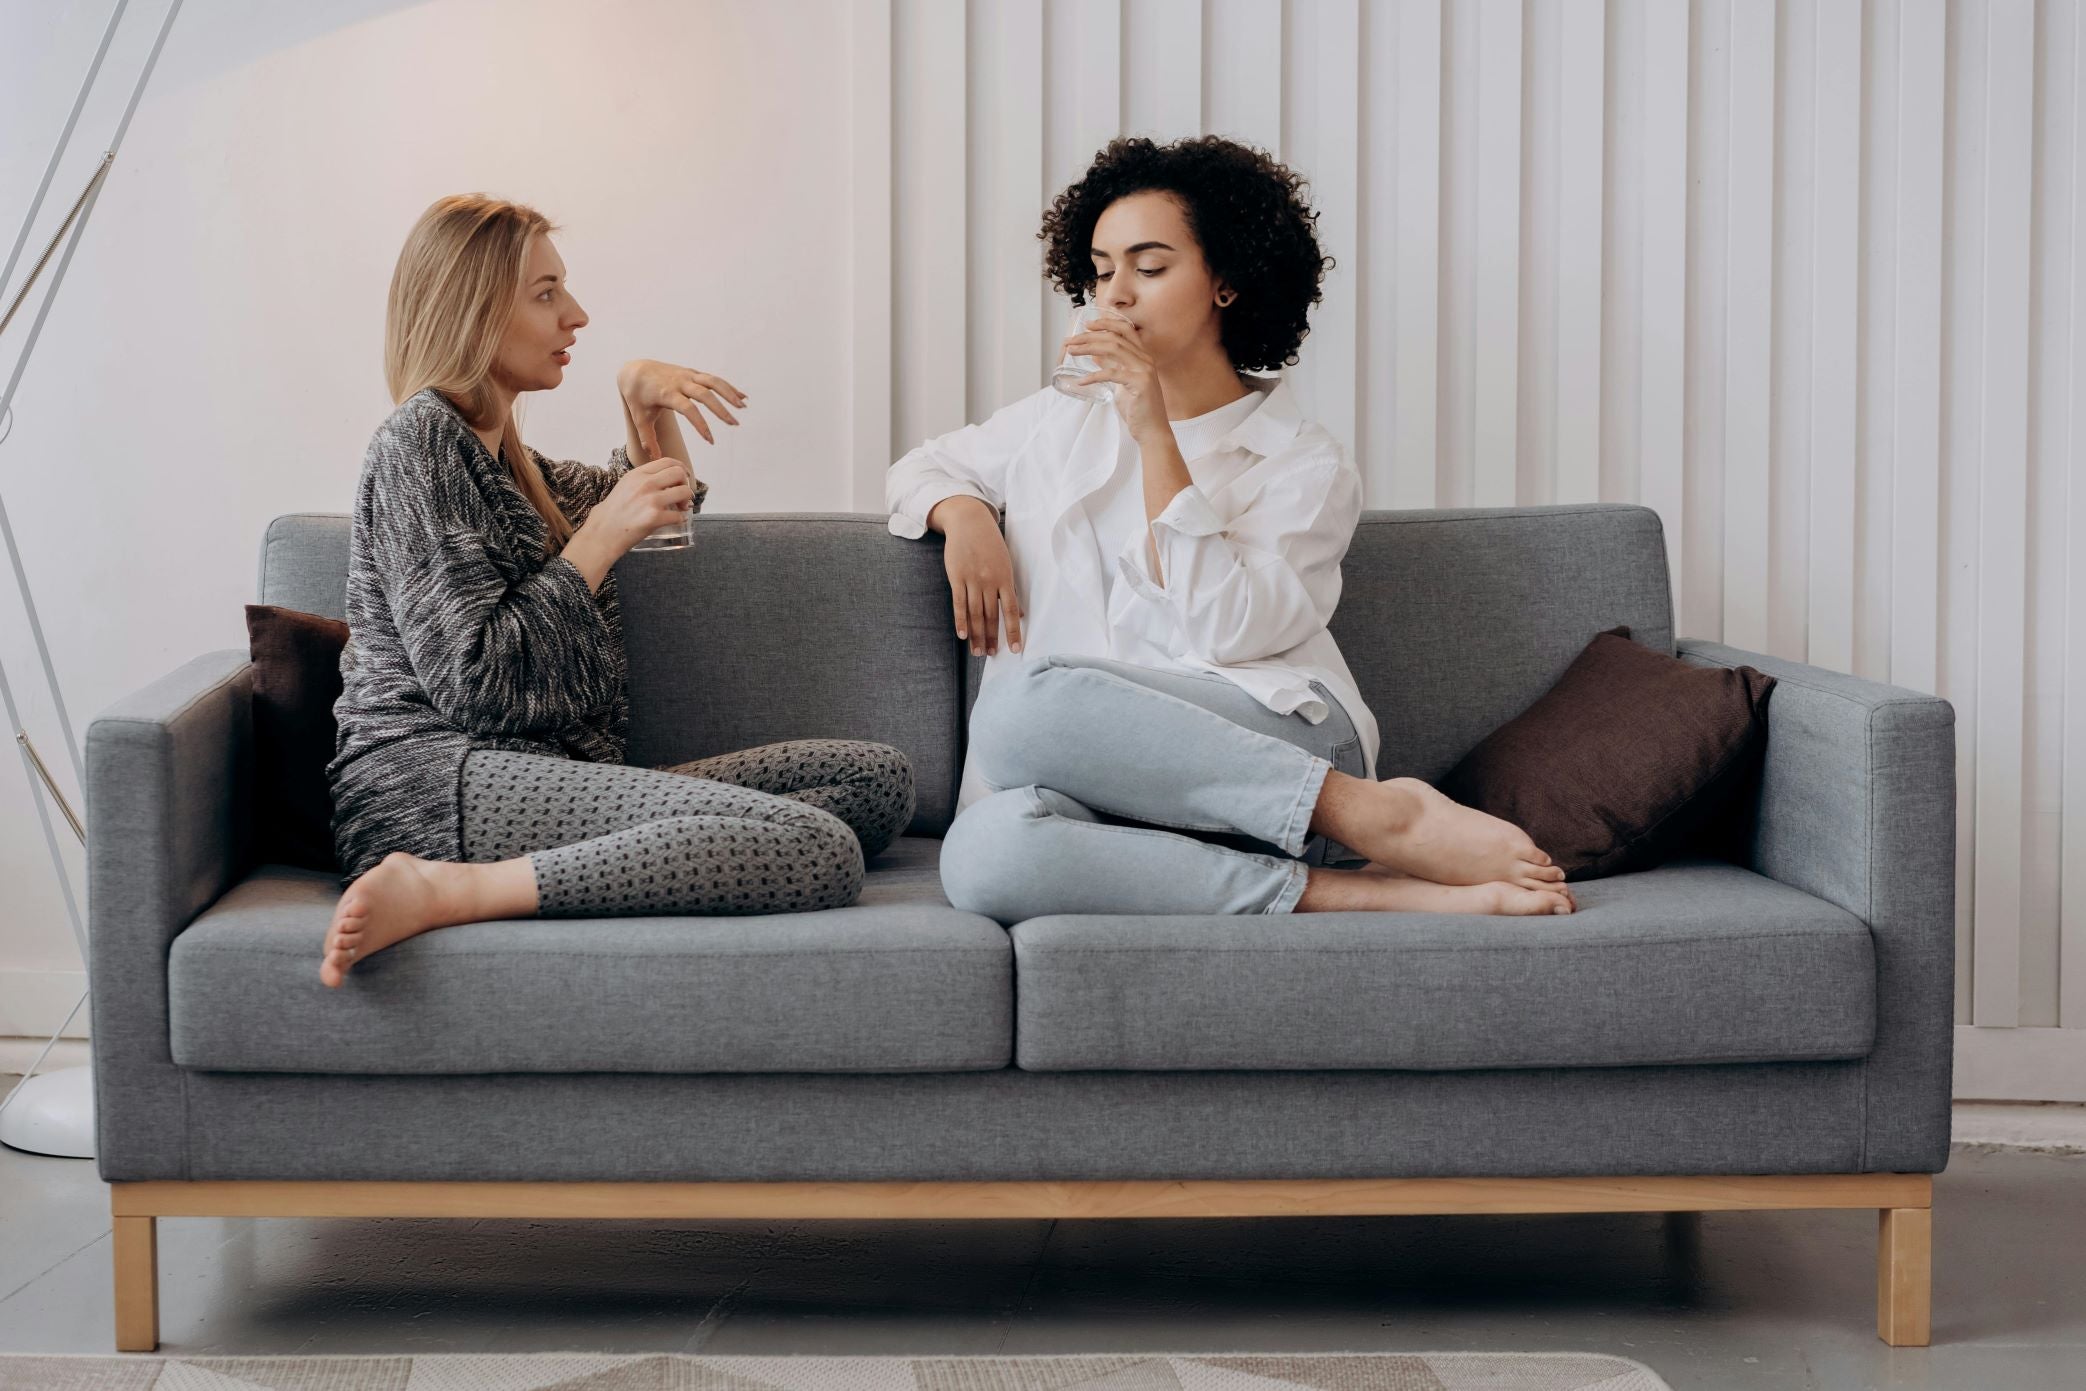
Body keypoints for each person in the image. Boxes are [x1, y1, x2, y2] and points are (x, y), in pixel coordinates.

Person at [886, 136, 1573, 921]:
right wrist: (966, 513)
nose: (1116, 296)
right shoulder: (1057, 422)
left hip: (1280, 748)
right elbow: (920, 467)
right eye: (1103, 270)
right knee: (982, 852)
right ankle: (1355, 893)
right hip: (1110, 789)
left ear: (1227, 282)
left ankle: (1376, 815)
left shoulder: (1304, 463)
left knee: (1018, 706)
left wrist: (1153, 433)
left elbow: (1224, 629)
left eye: (1149, 268)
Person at [320, 194, 914, 987]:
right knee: (821, 851)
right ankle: (451, 888)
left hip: (539, 773)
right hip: (436, 785)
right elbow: (478, 683)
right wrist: (598, 538)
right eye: (545, 293)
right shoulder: (418, 442)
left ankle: (642, 831)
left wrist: (639, 399)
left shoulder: (511, 467)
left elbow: (662, 501)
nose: (576, 315)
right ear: (473, 309)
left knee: (880, 781)